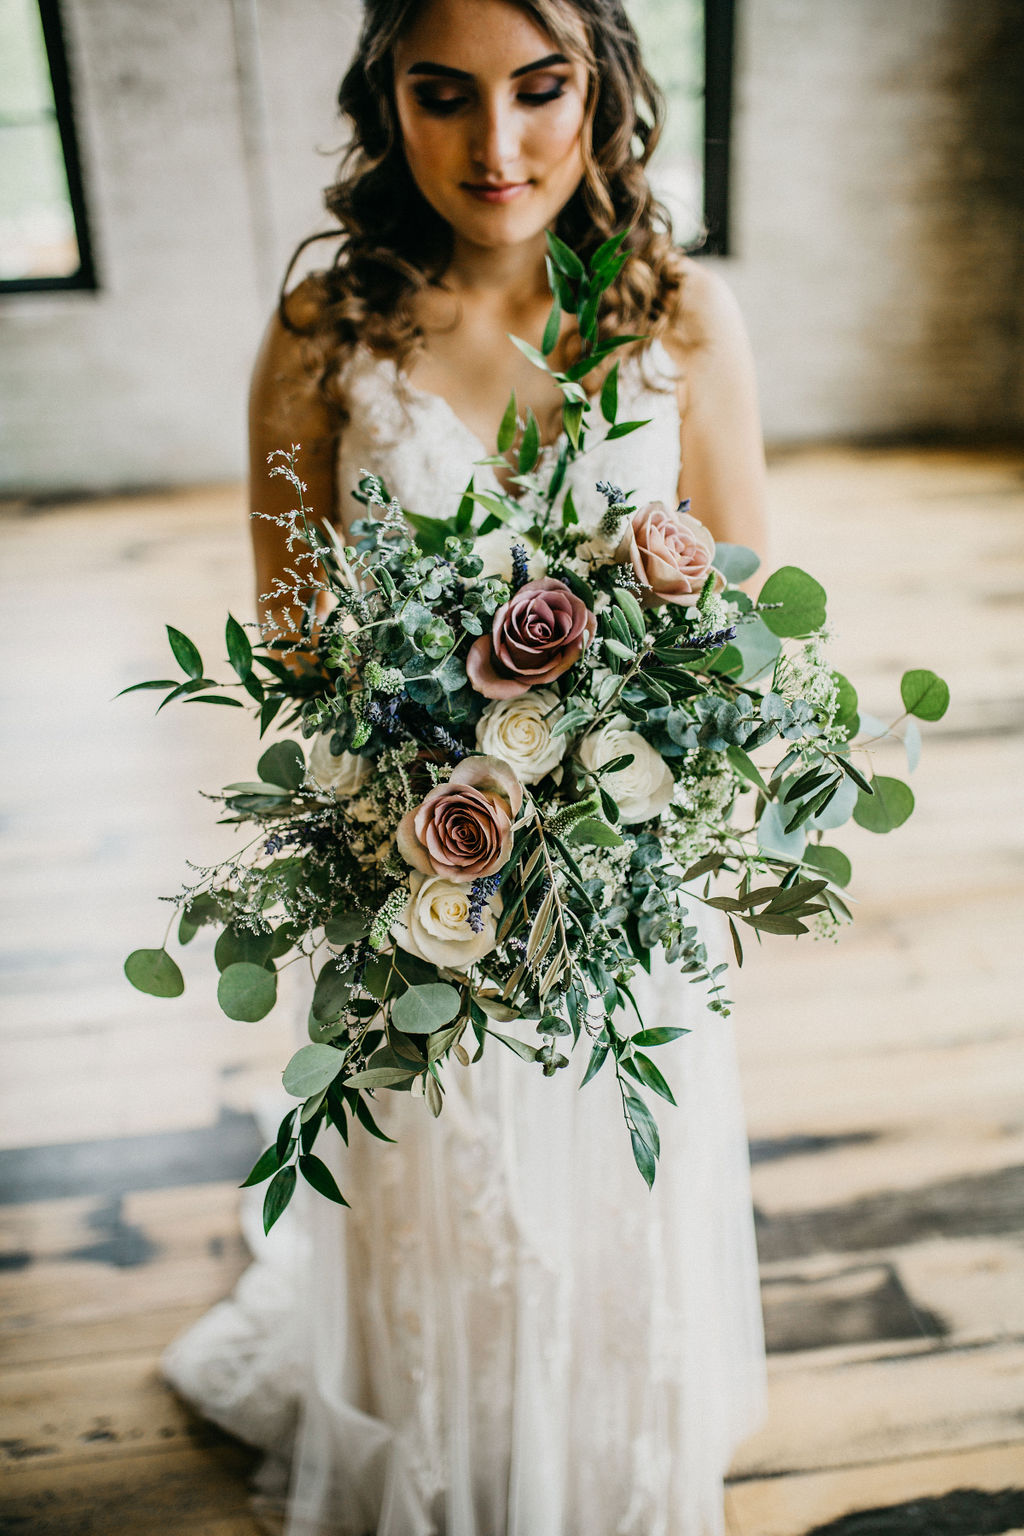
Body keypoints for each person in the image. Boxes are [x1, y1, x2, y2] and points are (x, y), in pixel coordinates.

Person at [163, 1, 768, 1532]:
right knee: (442, 1192)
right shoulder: (327, 336)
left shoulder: (679, 317)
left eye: (539, 90)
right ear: (389, 100)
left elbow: (746, 616)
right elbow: (297, 645)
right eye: (444, 98)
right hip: (412, 875)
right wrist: (435, 796)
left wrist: (603, 783)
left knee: (614, 1191)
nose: (495, 148)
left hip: (622, 873)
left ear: (602, 90)